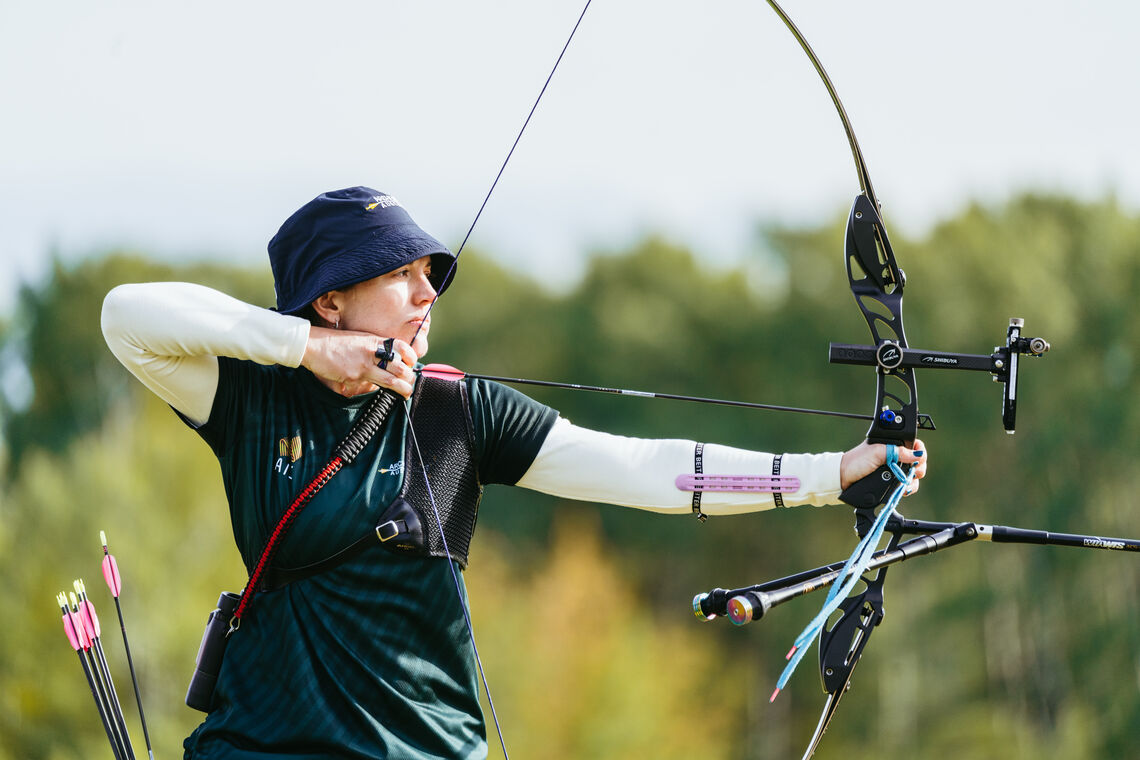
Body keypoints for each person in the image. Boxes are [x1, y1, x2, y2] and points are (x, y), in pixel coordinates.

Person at [101, 186, 927, 759]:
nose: (429, 292)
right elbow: (126, 317)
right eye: (402, 274)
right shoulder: (253, 402)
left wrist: (829, 474)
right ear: (329, 302)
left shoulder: (458, 412)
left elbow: (645, 470)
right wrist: (303, 351)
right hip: (261, 748)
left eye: (432, 274)